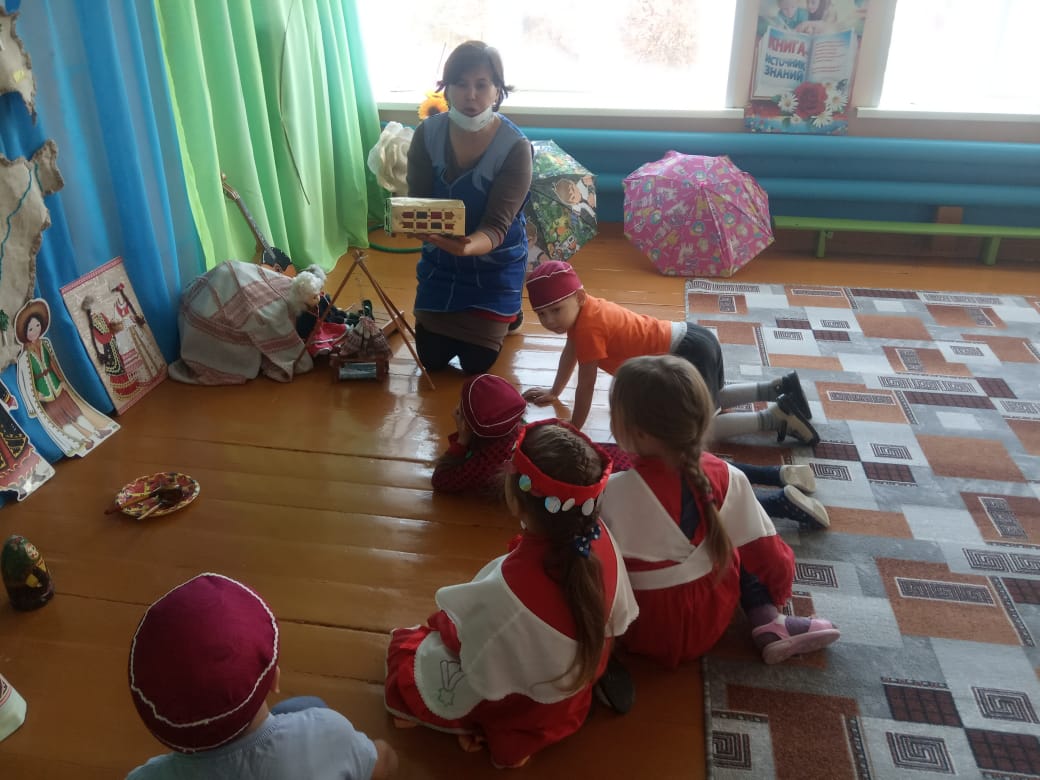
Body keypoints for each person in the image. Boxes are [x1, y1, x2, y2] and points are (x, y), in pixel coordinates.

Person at [385, 419, 639, 769]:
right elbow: (616, 620)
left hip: (532, 700)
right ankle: (523, 738)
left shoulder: (510, 589)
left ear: (515, 501)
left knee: (405, 657)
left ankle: (496, 729)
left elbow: (478, 656)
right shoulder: (602, 538)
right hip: (573, 691)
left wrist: (446, 626)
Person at [600, 355, 840, 668]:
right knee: (736, 546)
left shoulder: (609, 492)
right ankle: (769, 619)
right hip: (710, 619)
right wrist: (777, 594)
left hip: (639, 628)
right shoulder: (728, 476)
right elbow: (772, 559)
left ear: (638, 432)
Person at [434, 373, 828, 528]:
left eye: (460, 414)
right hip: (611, 459)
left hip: (609, 486)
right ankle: (777, 474)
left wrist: (463, 443)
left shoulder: (489, 460)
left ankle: (778, 502)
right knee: (701, 469)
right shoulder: (534, 428)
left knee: (697, 502)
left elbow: (444, 480)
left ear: (476, 427)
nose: (454, 416)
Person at [127, 572, 397, 779]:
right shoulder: (329, 734)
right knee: (306, 706)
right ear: (274, 680)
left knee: (297, 707)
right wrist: (382, 750)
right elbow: (382, 765)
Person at [521, 261, 819, 445]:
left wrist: (573, 428)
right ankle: (779, 387)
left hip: (685, 354)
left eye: (556, 310)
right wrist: (554, 391)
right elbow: (569, 353)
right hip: (694, 337)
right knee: (711, 397)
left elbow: (586, 385)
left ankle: (776, 418)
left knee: (693, 430)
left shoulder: (588, 327)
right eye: (541, 314)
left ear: (579, 297)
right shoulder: (586, 311)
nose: (549, 321)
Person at [407, 40, 533, 374]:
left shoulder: (516, 147)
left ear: (497, 90)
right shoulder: (426, 134)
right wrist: (409, 222)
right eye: (461, 84)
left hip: (494, 263)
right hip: (441, 261)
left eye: (482, 84)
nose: (471, 95)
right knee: (431, 358)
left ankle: (509, 314)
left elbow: (496, 227)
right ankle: (500, 317)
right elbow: (418, 200)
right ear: (447, 88)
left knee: (477, 364)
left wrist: (467, 247)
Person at [14, 298, 119, 457]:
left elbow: (54, 363)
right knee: (62, 421)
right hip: (45, 396)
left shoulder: (45, 343)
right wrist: (33, 400)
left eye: (37, 326)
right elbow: (24, 382)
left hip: (58, 388)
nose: (35, 330)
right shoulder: (23, 358)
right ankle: (83, 441)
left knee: (75, 413)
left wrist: (62, 381)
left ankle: (95, 433)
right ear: (24, 333)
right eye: (30, 329)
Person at [431, 373, 528, 495]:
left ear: (466, 425)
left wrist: (461, 441)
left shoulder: (484, 462)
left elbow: (440, 480)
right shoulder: (519, 427)